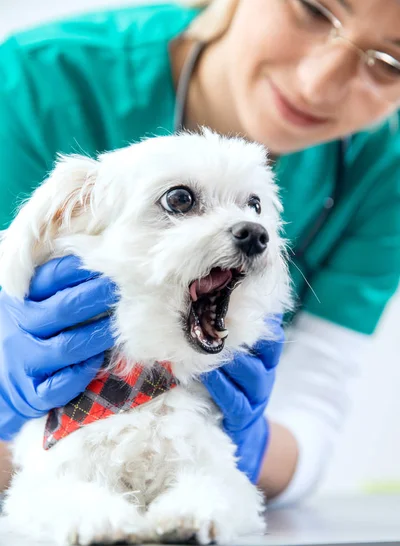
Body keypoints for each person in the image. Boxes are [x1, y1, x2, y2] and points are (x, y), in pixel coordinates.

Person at [1, 0, 400, 505]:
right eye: (315, 11)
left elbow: (312, 417)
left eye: (391, 64)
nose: (318, 83)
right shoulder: (35, 82)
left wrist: (246, 445)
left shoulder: (383, 171)